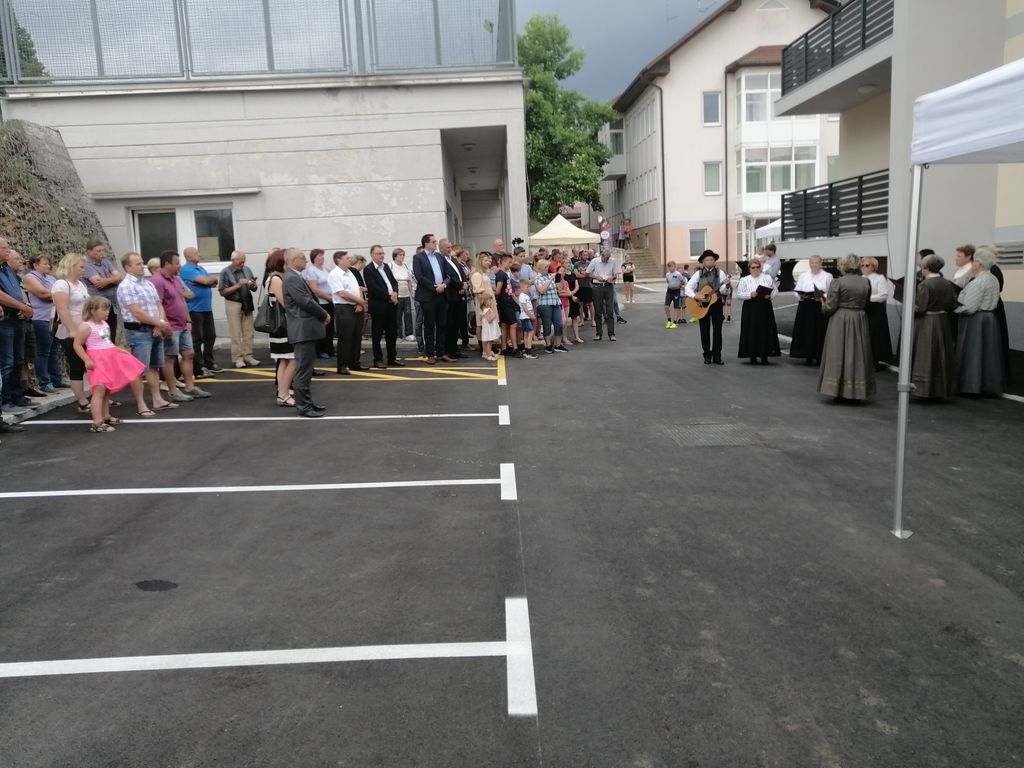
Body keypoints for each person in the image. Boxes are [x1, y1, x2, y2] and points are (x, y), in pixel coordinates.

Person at [116, 251, 178, 416]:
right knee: (137, 370)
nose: (142, 266)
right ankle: (141, 405)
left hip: (154, 329)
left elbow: (159, 304)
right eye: (138, 264)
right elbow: (136, 312)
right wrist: (158, 323)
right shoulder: (126, 286)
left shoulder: (148, 283)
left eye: (142, 262)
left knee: (154, 366)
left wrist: (160, 322)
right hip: (139, 331)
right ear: (127, 267)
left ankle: (157, 400)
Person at [73, 296, 146, 432]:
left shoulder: (104, 324)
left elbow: (106, 341)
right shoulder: (86, 326)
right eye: (104, 309)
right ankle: (97, 422)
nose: (107, 312)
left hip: (109, 357)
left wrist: (119, 349)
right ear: (93, 310)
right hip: (98, 359)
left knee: (106, 389)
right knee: (99, 390)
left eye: (108, 309)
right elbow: (77, 344)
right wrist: (86, 360)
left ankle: (106, 416)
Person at [151, 250, 211, 401]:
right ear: (167, 264)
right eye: (177, 263)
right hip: (170, 325)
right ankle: (173, 391)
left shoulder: (176, 279)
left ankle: (190, 387)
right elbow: (157, 305)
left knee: (188, 354)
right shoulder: (157, 281)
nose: (180, 266)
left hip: (183, 324)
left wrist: (188, 320)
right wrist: (164, 325)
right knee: (170, 357)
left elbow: (182, 300)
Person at [817, 254, 875, 402]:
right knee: (858, 353)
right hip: (859, 318)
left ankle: (838, 389)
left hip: (841, 319)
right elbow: (867, 303)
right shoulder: (866, 281)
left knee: (839, 353)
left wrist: (823, 304)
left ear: (845, 266)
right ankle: (857, 390)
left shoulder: (838, 282)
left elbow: (830, 307)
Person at [282, 248, 330, 417]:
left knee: (306, 369)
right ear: (292, 261)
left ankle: (307, 402)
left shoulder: (295, 277)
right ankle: (304, 407)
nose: (306, 260)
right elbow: (305, 301)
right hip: (302, 330)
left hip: (306, 329)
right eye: (302, 258)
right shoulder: (291, 278)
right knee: (303, 370)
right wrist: (324, 314)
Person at [954, 246, 1004, 396]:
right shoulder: (993, 279)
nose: (973, 264)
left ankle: (971, 386)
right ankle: (987, 386)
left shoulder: (978, 282)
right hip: (990, 319)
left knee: (973, 353)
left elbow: (970, 307)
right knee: (988, 355)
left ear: (980, 263)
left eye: (974, 261)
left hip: (976, 320)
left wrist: (954, 309)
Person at [911, 254, 958, 400]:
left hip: (927, 322)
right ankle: (941, 388)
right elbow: (953, 304)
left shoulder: (924, 285)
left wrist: (910, 307)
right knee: (941, 354)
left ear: (926, 267)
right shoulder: (948, 283)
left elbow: (920, 308)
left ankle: (924, 390)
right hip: (942, 321)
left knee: (925, 354)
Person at [51, 252, 92, 412]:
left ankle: (97, 396)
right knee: (77, 365)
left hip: (85, 328)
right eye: (81, 267)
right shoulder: (61, 284)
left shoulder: (80, 284)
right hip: (70, 330)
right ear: (72, 266)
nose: (83, 270)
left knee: (89, 364)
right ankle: (82, 401)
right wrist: (72, 330)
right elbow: (62, 309)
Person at [22, 254, 68, 393]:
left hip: (54, 318)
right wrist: (58, 294)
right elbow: (42, 293)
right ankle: (44, 382)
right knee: (43, 351)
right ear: (35, 265)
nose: (49, 266)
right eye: (45, 264)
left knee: (54, 350)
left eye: (49, 264)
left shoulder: (51, 278)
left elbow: (61, 293)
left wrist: (56, 294)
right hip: (41, 318)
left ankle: (56, 379)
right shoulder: (30, 277)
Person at [179, 245, 220, 377]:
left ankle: (209, 363)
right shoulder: (186, 269)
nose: (199, 254)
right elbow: (207, 281)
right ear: (189, 256)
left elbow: (213, 283)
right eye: (196, 253)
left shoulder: (201, 268)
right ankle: (199, 367)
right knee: (197, 339)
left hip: (206, 307)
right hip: (194, 309)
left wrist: (206, 281)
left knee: (210, 336)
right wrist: (206, 281)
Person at [684, 250, 731, 365]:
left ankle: (717, 356)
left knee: (717, 330)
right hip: (702, 305)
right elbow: (687, 288)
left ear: (714, 261)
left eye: (711, 259)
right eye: (707, 260)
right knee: (704, 330)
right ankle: (707, 354)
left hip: (716, 304)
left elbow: (723, 291)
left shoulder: (720, 273)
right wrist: (695, 296)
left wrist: (727, 286)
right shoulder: (698, 274)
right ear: (703, 262)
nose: (709, 261)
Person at [262, 250, 296, 406]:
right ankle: (283, 393)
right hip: (282, 326)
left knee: (284, 360)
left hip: (281, 326)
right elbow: (286, 304)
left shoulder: (275, 277)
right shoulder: (276, 279)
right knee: (292, 359)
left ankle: (283, 392)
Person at [363, 244, 403, 369]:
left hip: (391, 305)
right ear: (372, 255)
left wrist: (395, 293)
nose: (381, 255)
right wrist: (389, 297)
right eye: (379, 253)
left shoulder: (386, 266)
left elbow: (394, 282)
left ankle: (392, 358)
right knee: (377, 335)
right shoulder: (369, 269)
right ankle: (378, 359)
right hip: (379, 307)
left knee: (392, 334)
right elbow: (373, 288)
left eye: (382, 253)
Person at [218, 250, 260, 368]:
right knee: (235, 332)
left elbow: (254, 289)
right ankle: (238, 358)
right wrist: (238, 285)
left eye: (244, 261)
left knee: (249, 331)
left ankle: (248, 355)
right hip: (233, 303)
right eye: (240, 262)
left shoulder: (247, 270)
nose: (242, 264)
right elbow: (222, 292)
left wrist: (253, 285)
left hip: (247, 302)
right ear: (233, 260)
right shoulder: (225, 272)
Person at [735, 258, 780, 365]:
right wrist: (750, 294)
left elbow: (775, 290)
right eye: (753, 267)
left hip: (765, 306)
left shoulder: (767, 278)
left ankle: (765, 355)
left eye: (757, 267)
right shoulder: (744, 280)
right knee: (752, 331)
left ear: (760, 268)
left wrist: (770, 296)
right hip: (750, 307)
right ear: (749, 269)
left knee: (765, 330)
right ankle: (752, 356)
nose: (755, 269)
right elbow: (739, 295)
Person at [412, 234, 448, 364]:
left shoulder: (439, 256)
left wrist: (444, 285)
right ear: (426, 243)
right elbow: (419, 277)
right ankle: (430, 354)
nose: (436, 244)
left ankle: (441, 353)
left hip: (442, 294)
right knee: (429, 326)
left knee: (442, 325)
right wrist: (434, 287)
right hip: (428, 296)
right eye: (433, 242)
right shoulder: (418, 258)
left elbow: (447, 275)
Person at [790, 255, 832, 366]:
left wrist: (821, 296)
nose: (814, 265)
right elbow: (796, 290)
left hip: (819, 305)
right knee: (806, 329)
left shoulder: (827, 276)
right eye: (812, 263)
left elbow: (830, 292)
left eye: (816, 263)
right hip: (806, 305)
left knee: (819, 330)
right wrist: (800, 295)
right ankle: (807, 355)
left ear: (821, 263)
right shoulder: (803, 276)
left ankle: (819, 356)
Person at [328, 250, 366, 375]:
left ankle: (354, 363)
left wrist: (359, 303)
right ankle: (342, 365)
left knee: (356, 337)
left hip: (356, 307)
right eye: (347, 258)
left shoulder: (350, 272)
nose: (350, 260)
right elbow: (342, 293)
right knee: (345, 338)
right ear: (339, 260)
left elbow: (357, 288)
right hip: (344, 308)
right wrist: (359, 301)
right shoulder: (335, 274)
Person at [82, 239, 123, 340]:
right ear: (89, 252)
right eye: (98, 251)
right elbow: (99, 282)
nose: (102, 253)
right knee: (102, 337)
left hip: (112, 305)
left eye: (103, 250)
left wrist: (107, 280)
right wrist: (113, 279)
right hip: (98, 306)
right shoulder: (87, 266)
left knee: (112, 334)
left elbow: (119, 277)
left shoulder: (106, 263)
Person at [860, 257, 894, 370]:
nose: (864, 267)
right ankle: (863, 361)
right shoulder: (860, 279)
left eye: (867, 265)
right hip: (863, 309)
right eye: (862, 265)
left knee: (875, 335)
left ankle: (875, 361)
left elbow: (883, 295)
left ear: (873, 267)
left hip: (875, 310)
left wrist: (868, 298)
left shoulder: (879, 278)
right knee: (863, 334)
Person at [304, 248, 335, 360]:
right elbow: (314, 289)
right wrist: (329, 297)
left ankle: (329, 349)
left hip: (330, 302)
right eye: (320, 256)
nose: (322, 257)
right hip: (321, 303)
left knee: (330, 327)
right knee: (322, 327)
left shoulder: (326, 269)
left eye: (322, 255)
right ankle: (320, 350)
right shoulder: (311, 271)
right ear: (314, 258)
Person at [586, 250, 619, 341]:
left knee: (610, 310)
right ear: (602, 255)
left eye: (608, 258)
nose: (607, 260)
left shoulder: (612, 261)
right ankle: (598, 333)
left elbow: (615, 275)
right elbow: (587, 273)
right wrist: (596, 277)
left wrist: (612, 278)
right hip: (597, 286)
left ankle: (611, 334)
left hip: (608, 286)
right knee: (598, 311)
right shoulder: (595, 261)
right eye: (605, 258)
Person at [534, 259, 566, 353]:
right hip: (545, 304)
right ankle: (548, 345)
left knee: (559, 324)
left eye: (548, 267)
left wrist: (561, 278)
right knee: (547, 324)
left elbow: (559, 288)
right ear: (540, 268)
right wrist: (550, 280)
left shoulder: (550, 275)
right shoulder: (538, 278)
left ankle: (558, 344)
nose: (547, 269)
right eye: (546, 267)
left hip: (555, 302)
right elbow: (542, 290)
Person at [494, 253, 520, 357]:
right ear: (503, 262)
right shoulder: (501, 275)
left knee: (504, 325)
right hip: (505, 302)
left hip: (506, 301)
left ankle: (504, 347)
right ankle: (515, 348)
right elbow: (498, 290)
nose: (510, 264)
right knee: (513, 324)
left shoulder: (504, 274)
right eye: (509, 262)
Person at [470, 252, 496, 356]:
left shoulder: (484, 273)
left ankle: (488, 349)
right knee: (483, 325)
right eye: (485, 260)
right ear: (480, 262)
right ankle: (484, 350)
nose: (488, 262)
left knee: (488, 325)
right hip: (483, 302)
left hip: (489, 301)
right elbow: (478, 290)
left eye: (488, 260)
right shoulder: (477, 275)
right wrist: (485, 303)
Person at [390, 248, 415, 341]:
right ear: (395, 256)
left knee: (408, 315)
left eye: (403, 255)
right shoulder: (390, 265)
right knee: (397, 316)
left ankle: (409, 334)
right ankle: (398, 335)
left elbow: (409, 281)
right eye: (400, 255)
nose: (402, 257)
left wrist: (411, 293)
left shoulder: (405, 266)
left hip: (406, 295)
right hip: (397, 295)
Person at [516, 278, 538, 358]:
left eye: (528, 287)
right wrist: (531, 315)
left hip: (525, 317)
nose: (527, 289)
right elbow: (525, 308)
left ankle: (526, 348)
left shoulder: (525, 296)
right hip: (525, 317)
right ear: (521, 288)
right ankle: (528, 349)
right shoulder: (522, 296)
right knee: (530, 332)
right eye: (526, 287)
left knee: (526, 333)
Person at [664, 261, 686, 328]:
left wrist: (681, 286)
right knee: (666, 306)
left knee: (676, 307)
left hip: (676, 292)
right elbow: (668, 281)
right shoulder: (667, 274)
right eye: (669, 267)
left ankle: (675, 322)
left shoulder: (678, 274)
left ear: (675, 266)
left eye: (672, 266)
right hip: (669, 291)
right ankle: (669, 321)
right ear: (668, 267)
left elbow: (683, 282)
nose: (671, 268)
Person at [479, 295, 500, 361]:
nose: (491, 302)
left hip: (486, 328)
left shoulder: (483, 310)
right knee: (489, 342)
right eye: (489, 300)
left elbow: (481, 319)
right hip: (489, 329)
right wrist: (494, 315)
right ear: (485, 302)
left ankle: (488, 353)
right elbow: (489, 320)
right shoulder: (488, 310)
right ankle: (489, 355)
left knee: (488, 341)